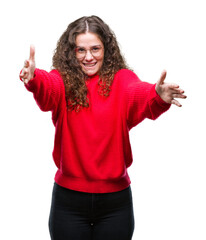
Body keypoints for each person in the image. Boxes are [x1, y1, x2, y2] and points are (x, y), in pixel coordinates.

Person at [19, 15, 186, 240]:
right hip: (68, 203)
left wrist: (157, 96)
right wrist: (34, 79)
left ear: (106, 49)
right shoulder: (63, 80)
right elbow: (49, 87)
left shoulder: (122, 79)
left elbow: (138, 93)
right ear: (71, 52)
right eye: (81, 50)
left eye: (95, 48)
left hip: (115, 206)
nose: (89, 57)